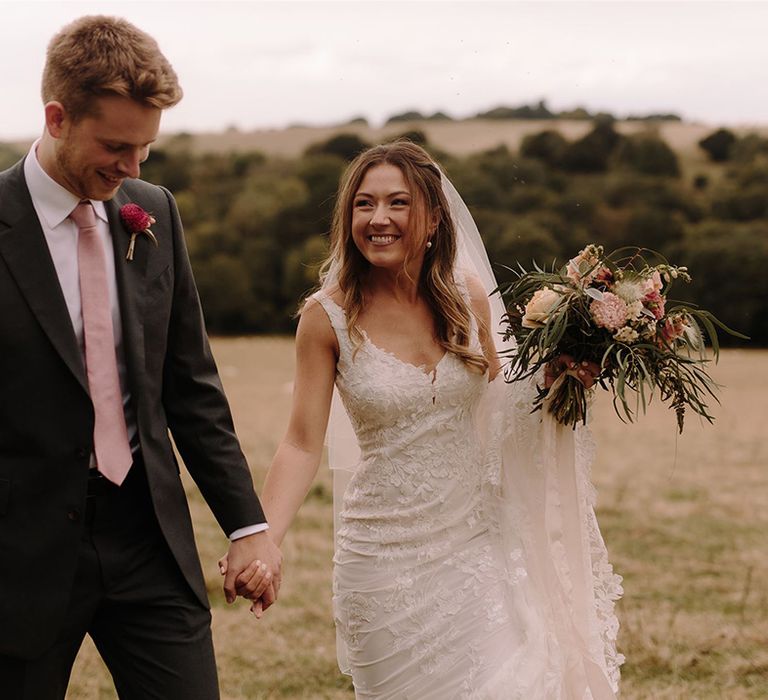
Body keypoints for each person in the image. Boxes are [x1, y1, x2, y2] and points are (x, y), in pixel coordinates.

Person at [232, 140, 624, 698]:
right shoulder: (326, 318)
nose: (379, 219)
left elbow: (501, 405)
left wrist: (556, 377)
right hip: (381, 563)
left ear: (435, 218)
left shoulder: (468, 299)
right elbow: (300, 444)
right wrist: (265, 541)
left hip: (475, 547)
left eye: (398, 203)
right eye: (364, 204)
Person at [0, 16, 280, 699]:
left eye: (145, 150)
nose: (131, 169)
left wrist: (249, 527)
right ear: (58, 118)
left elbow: (190, 387)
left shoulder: (154, 213)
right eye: (117, 147)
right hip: (20, 550)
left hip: (149, 537)